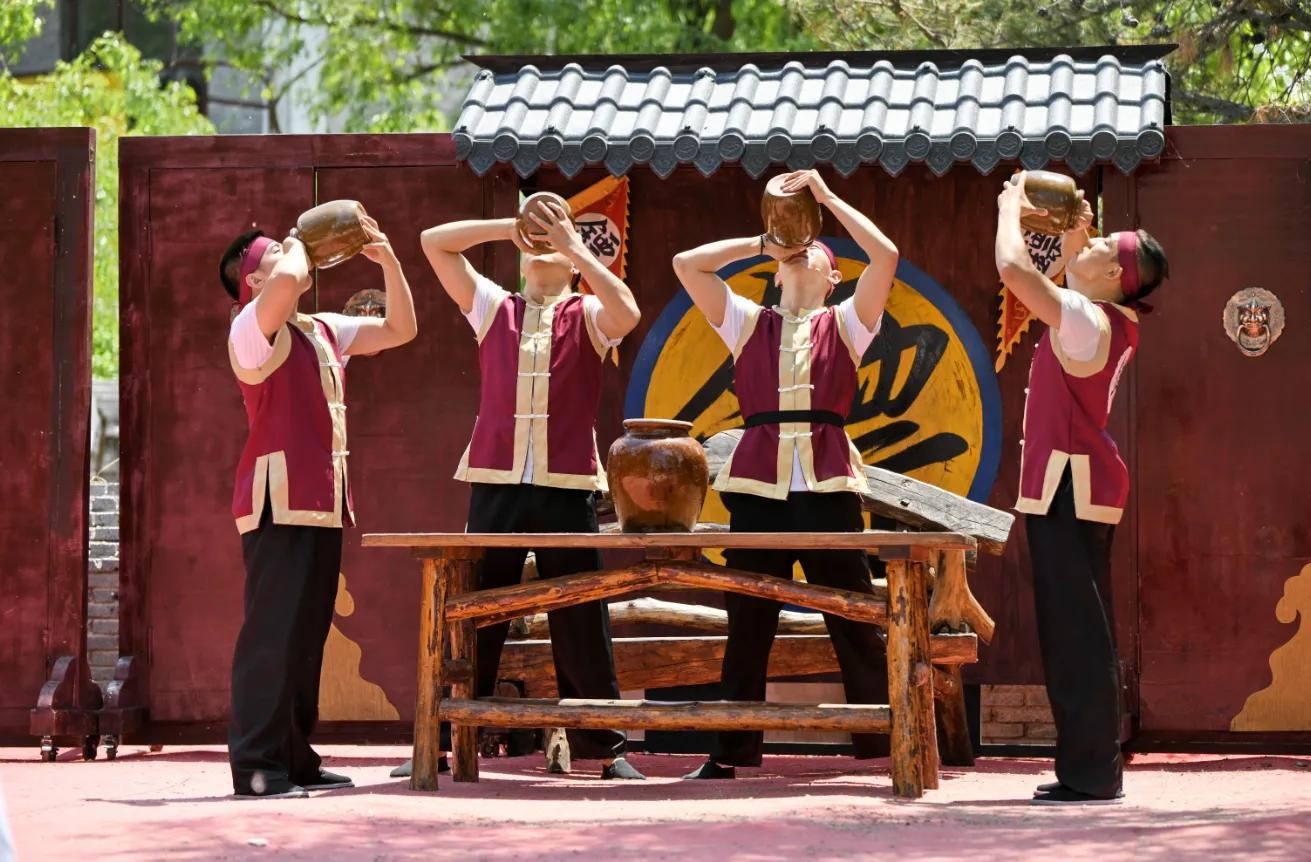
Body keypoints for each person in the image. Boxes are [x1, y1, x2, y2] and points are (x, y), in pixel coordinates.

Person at [671, 169, 898, 779]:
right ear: (774, 273)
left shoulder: (848, 323)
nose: (801, 256)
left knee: (853, 616)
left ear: (834, 276)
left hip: (828, 487)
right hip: (758, 489)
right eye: (790, 256)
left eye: (812, 251)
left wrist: (826, 199)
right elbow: (687, 265)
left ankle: (886, 745)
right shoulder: (747, 322)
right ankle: (730, 752)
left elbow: (886, 255)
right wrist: (762, 242)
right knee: (749, 622)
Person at [408, 200, 644, 780]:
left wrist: (572, 245)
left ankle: (605, 748)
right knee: (476, 613)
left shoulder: (588, 313)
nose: (543, 244)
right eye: (536, 239)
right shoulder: (494, 307)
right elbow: (434, 239)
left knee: (580, 613)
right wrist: (511, 228)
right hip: (497, 480)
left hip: (565, 484)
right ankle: (448, 738)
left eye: (553, 239)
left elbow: (629, 311)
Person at [220, 215, 417, 798]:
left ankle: (294, 757)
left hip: (322, 504)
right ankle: (256, 767)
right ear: (254, 282)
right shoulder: (249, 328)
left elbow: (400, 329)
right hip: (276, 504)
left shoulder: (321, 328)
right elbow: (288, 280)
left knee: (306, 642)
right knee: (271, 637)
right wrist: (299, 243)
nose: (291, 253)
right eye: (275, 253)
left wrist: (388, 260)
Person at [994, 171, 1169, 805]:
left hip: (1070, 483)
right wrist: (1077, 235)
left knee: (1077, 634)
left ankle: (1093, 773)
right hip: (1076, 483)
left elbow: (1015, 271)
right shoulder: (1101, 314)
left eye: (1101, 246)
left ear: (1115, 275)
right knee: (1075, 631)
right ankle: (1088, 769)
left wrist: (1010, 207)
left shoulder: (1087, 319)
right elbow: (1072, 270)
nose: (1089, 245)